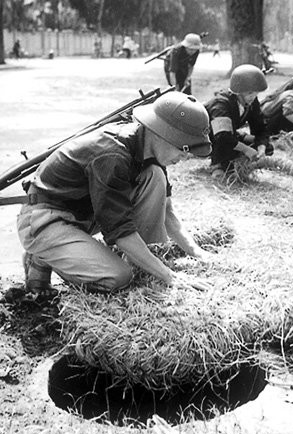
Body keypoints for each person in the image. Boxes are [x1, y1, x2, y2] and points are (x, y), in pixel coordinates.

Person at [18, 91, 213, 295]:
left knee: (154, 176)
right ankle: (44, 256)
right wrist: (169, 276)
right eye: (183, 149)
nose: (185, 157)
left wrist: (197, 252)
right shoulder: (112, 155)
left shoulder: (150, 151)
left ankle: (138, 260)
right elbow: (119, 229)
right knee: (119, 277)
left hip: (84, 215)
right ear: (161, 135)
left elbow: (168, 213)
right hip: (45, 219)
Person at [204, 64, 274, 180]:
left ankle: (236, 162)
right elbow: (222, 136)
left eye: (256, 93)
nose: (253, 96)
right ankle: (218, 165)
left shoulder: (251, 102)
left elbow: (260, 128)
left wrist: (261, 146)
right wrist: (246, 149)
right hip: (210, 139)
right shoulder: (221, 104)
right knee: (228, 147)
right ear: (238, 92)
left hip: (230, 136)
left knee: (268, 147)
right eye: (249, 93)